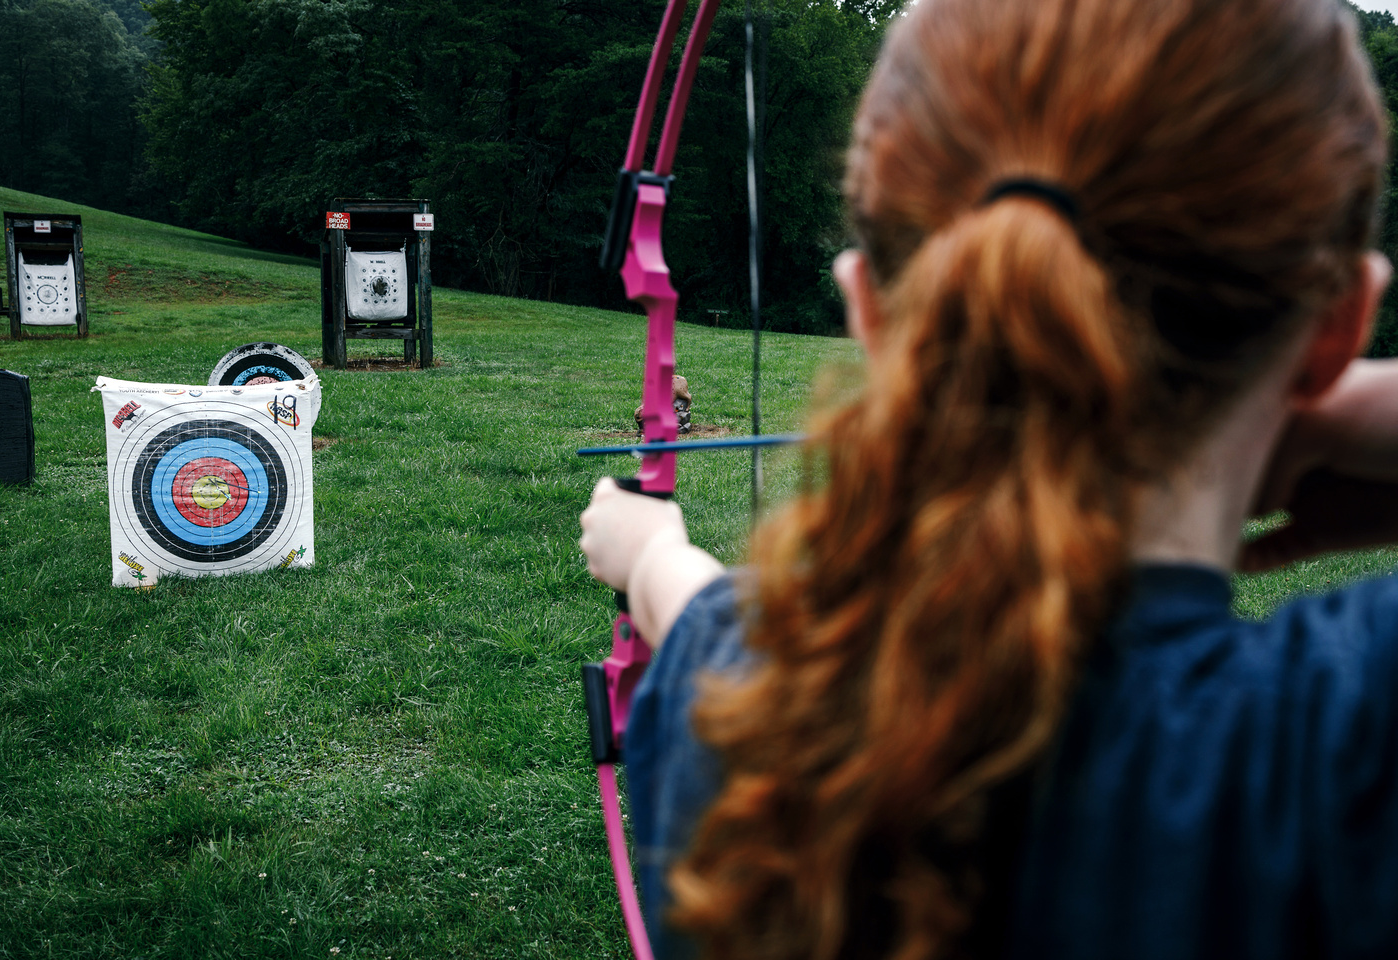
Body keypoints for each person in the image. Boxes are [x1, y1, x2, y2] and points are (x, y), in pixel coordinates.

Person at [579, 0, 1398, 956]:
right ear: (1341, 329)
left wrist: (649, 551)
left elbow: (695, 608)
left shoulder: (748, 720)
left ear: (874, 319)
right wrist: (1339, 414)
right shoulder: (1342, 751)